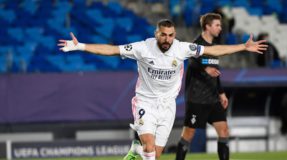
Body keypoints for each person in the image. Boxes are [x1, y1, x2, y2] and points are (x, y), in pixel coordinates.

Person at [58, 19, 267, 160]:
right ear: (156, 34)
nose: (167, 39)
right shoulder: (142, 47)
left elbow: (213, 50)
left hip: (167, 107)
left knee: (155, 155)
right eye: (163, 35)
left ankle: (136, 149)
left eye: (171, 35)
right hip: (145, 103)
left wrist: (243, 46)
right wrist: (80, 46)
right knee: (149, 147)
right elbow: (112, 50)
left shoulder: (181, 48)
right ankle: (141, 145)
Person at [175, 13, 229, 160]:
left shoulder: (214, 48)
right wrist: (205, 68)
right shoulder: (196, 45)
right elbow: (192, 62)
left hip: (213, 98)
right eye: (217, 25)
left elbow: (215, 74)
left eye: (220, 25)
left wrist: (221, 92)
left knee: (224, 131)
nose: (220, 28)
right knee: (188, 135)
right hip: (196, 98)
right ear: (207, 26)